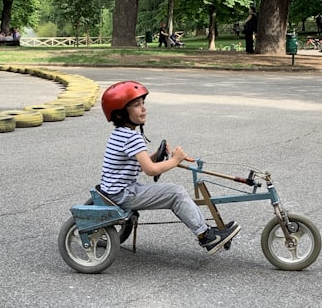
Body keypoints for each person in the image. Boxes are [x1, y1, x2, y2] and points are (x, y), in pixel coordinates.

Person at [99, 81, 241, 255]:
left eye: (143, 103)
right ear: (121, 114)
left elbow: (140, 164)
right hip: (123, 194)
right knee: (175, 193)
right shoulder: (132, 138)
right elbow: (150, 170)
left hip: (116, 190)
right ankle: (206, 236)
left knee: (173, 192)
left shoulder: (121, 134)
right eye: (137, 105)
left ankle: (207, 231)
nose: (143, 108)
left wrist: (157, 154)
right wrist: (175, 160)